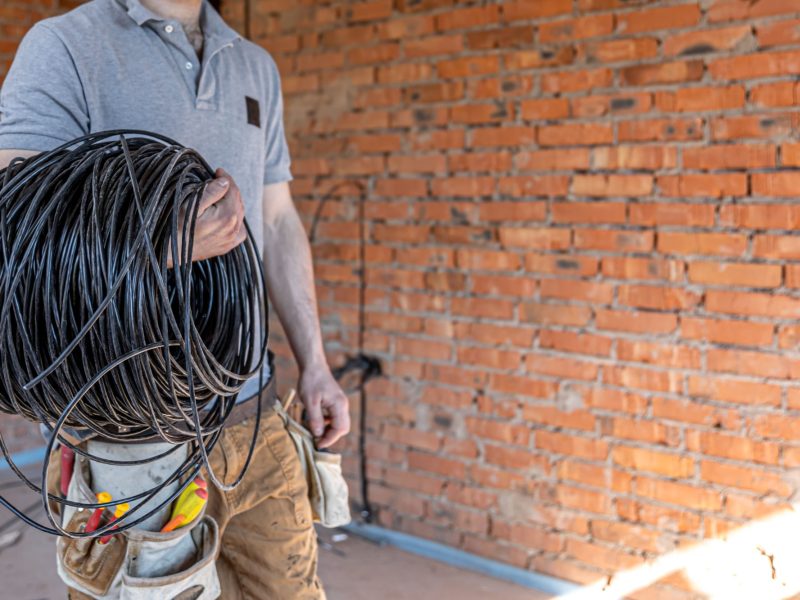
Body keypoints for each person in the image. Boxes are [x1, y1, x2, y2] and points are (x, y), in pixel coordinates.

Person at [0, 0, 350, 597]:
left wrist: (314, 363)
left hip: (252, 411)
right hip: (127, 440)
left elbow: (278, 217)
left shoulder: (254, 64)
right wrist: (159, 240)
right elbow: (20, 233)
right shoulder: (64, 45)